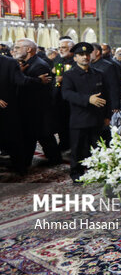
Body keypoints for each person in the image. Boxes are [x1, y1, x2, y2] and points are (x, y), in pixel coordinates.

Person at [61, 43, 110, 182]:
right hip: (79, 118)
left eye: (87, 54)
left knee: (97, 146)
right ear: (75, 58)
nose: (85, 57)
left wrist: (107, 116)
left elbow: (106, 95)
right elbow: (66, 94)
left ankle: (96, 169)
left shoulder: (99, 74)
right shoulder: (69, 75)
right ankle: (76, 172)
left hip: (97, 118)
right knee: (77, 147)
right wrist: (88, 99)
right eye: (81, 55)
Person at [14, 38, 62, 172]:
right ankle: (26, 162)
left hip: (37, 108)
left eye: (18, 47)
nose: (15, 50)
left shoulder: (38, 65)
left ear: (28, 49)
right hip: (31, 108)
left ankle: (53, 160)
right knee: (36, 136)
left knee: (43, 135)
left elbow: (38, 89)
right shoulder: (28, 63)